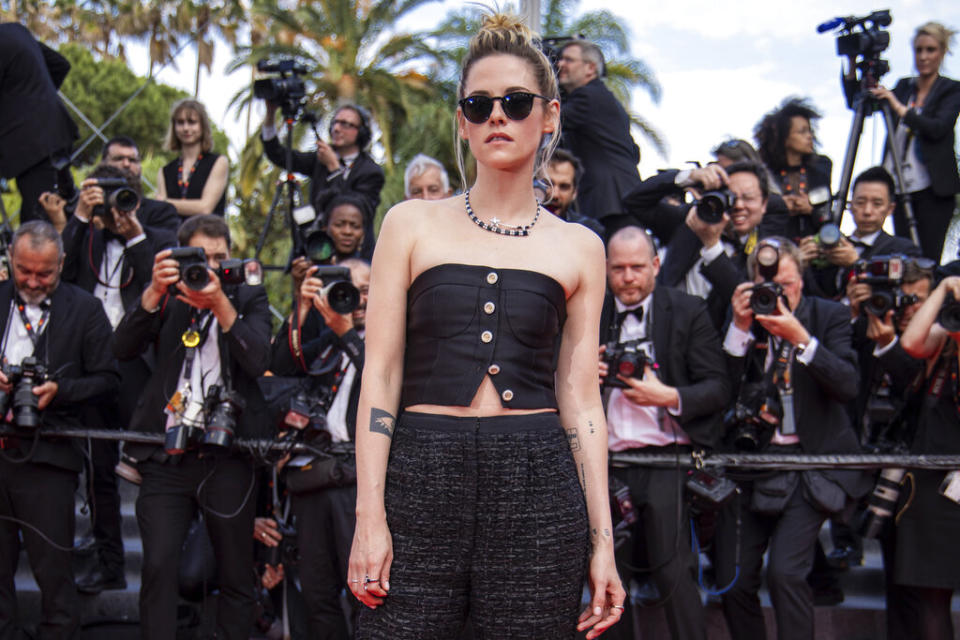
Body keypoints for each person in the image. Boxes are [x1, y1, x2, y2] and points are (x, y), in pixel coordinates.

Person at [347, 14, 624, 639]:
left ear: (548, 115)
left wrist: (602, 542)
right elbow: (381, 375)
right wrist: (370, 515)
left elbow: (581, 401)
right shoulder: (409, 224)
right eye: (479, 103)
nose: (497, 116)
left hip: (537, 485)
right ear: (463, 121)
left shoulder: (580, 247)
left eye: (516, 102)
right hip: (419, 473)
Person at [113, 215, 272, 640]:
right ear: (179, 258)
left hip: (229, 454)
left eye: (221, 258)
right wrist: (152, 291)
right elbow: (121, 349)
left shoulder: (247, 294)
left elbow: (258, 360)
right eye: (201, 258)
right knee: (159, 566)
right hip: (168, 454)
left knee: (237, 571)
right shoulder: (165, 296)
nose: (211, 268)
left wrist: (221, 303)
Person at [715, 237, 870, 640]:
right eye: (770, 286)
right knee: (734, 579)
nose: (780, 294)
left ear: (802, 278)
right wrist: (738, 330)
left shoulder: (828, 314)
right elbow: (719, 393)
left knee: (786, 572)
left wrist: (801, 337)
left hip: (812, 464)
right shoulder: (744, 319)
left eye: (788, 282)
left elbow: (849, 385)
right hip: (755, 463)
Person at [599, 226, 729, 640]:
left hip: (666, 460)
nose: (629, 277)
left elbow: (719, 388)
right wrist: (584, 373)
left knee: (675, 573)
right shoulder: (588, 312)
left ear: (656, 265)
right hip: (606, 462)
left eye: (638, 267)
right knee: (606, 576)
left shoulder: (687, 309)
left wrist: (668, 396)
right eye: (618, 268)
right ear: (605, 270)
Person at [59, 163, 177, 594]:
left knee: (152, 462)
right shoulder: (84, 235)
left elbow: (160, 286)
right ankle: (109, 562)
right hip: (89, 361)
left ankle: (169, 564)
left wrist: (133, 234)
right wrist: (77, 216)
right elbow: (61, 273)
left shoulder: (153, 236)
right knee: (99, 470)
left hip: (138, 364)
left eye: (122, 195)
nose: (113, 207)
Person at [0, 221, 119, 639]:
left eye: (44, 273)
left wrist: (61, 390)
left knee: (54, 573)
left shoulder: (84, 307)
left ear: (62, 264)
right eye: (23, 270)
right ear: (10, 261)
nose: (32, 281)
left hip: (49, 457)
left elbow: (108, 379)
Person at [270, 258, 370, 638]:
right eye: (348, 288)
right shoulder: (329, 339)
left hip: (359, 481)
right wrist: (302, 304)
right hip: (313, 475)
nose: (358, 298)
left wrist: (346, 332)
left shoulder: (394, 337)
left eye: (365, 289)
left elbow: (387, 384)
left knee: (363, 590)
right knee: (316, 590)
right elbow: (280, 363)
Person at [621, 161, 774, 330]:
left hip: (715, 345)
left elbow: (746, 298)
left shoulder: (768, 250)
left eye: (748, 198)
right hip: (662, 329)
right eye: (732, 197)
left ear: (764, 204)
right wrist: (689, 176)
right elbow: (635, 202)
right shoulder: (692, 220)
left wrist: (712, 245)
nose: (738, 206)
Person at [897, 273, 960, 639]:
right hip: (935, 484)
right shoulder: (945, 342)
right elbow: (910, 341)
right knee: (932, 596)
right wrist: (943, 289)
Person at [870, 21, 960, 263]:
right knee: (905, 255)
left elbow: (938, 128)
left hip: (933, 189)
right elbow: (867, 106)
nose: (923, 56)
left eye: (930, 50)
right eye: (919, 50)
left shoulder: (951, 90)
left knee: (927, 258)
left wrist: (900, 108)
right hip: (900, 185)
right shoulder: (903, 86)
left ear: (942, 52)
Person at [262, 103, 385, 258]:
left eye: (346, 124)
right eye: (335, 123)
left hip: (356, 255)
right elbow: (278, 155)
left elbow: (354, 208)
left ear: (361, 132)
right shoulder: (320, 160)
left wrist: (334, 169)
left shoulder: (371, 172)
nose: (337, 129)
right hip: (319, 250)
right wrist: (270, 114)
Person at [801, 166, 922, 300]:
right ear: (851, 205)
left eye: (877, 204)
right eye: (860, 202)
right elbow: (814, 298)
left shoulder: (903, 250)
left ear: (890, 209)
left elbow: (906, 294)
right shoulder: (833, 246)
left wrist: (858, 264)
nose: (867, 211)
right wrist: (801, 264)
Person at [557, 39, 641, 226]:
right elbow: (634, 152)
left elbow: (548, 121)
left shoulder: (587, 97)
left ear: (590, 68)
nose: (560, 64)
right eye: (560, 59)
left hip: (608, 201)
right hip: (625, 196)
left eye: (569, 60)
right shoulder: (606, 99)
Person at [0, 24, 78, 224]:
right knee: (54, 209)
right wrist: (35, 102)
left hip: (33, 143)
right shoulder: (16, 32)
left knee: (39, 219)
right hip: (54, 133)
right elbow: (60, 64)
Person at [754, 97, 833, 239]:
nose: (809, 136)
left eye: (810, 131)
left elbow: (829, 217)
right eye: (802, 132)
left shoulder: (821, 168)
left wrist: (810, 210)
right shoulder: (764, 173)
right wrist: (779, 206)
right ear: (783, 137)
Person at [156, 99, 229, 217]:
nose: (185, 128)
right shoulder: (165, 171)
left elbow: (205, 208)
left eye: (192, 122)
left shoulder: (218, 162)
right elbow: (163, 213)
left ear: (203, 126)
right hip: (174, 234)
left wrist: (166, 203)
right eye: (180, 122)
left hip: (209, 233)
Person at [543, 149, 604, 237]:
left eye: (564, 187)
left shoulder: (589, 232)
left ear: (574, 192)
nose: (555, 194)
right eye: (548, 184)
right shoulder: (519, 225)